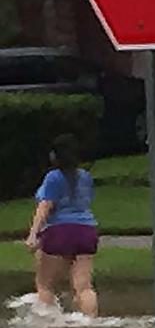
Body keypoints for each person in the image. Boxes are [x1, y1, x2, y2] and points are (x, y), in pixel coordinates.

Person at [25, 134, 99, 317]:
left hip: (60, 231)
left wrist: (33, 234)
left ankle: (48, 327)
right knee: (84, 287)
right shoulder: (85, 177)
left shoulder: (53, 177)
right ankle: (91, 324)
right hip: (87, 231)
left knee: (45, 284)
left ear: (54, 155)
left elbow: (45, 207)